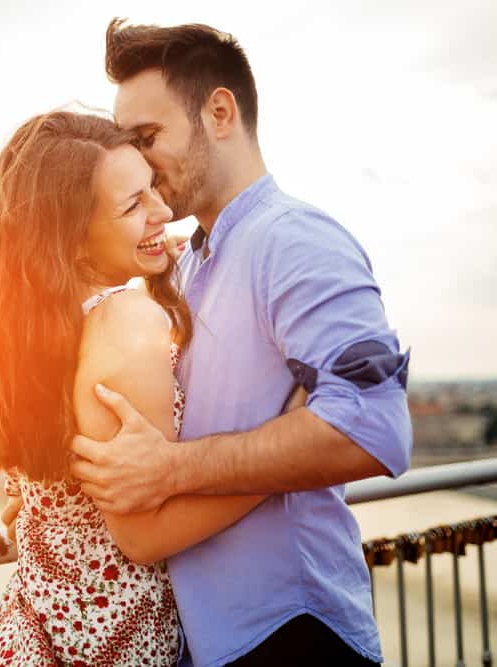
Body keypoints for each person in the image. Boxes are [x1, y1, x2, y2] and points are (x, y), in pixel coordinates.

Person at [54, 20, 410, 667]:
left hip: (295, 632)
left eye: (148, 137)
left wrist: (173, 469)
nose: (137, 161)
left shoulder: (295, 239)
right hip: (209, 642)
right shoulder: (184, 266)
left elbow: (375, 429)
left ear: (220, 112)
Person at [0, 111, 304, 667]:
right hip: (112, 641)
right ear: (71, 238)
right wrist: (283, 464)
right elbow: (142, 538)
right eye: (133, 205)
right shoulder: (123, 320)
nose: (164, 212)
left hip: (36, 628)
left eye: (151, 190)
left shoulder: (21, 331)